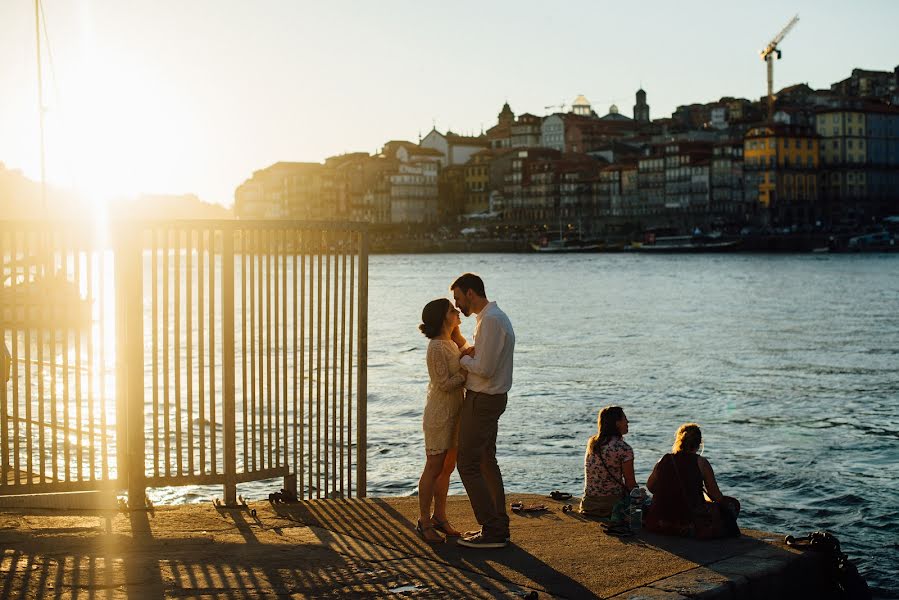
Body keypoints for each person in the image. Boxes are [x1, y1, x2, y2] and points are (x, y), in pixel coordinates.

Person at [450, 273, 515, 549]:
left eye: (458, 298)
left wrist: (462, 358)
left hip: (482, 401)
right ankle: (498, 526)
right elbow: (485, 361)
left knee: (467, 463)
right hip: (493, 399)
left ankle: (492, 529)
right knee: (487, 461)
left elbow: (485, 369)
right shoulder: (493, 318)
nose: (458, 304)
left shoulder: (490, 321)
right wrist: (468, 349)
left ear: (471, 294)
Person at [416, 298, 467, 544]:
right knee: (434, 466)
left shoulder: (451, 342)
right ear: (442, 317)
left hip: (456, 413)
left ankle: (440, 516)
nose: (457, 312)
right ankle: (424, 521)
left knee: (448, 467)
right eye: (451, 310)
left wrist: (463, 345)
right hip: (439, 413)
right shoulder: (436, 346)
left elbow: (468, 353)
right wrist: (467, 373)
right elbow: (444, 383)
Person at [644, 423, 740, 539]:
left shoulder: (664, 460)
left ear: (678, 440)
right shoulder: (701, 462)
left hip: (659, 521)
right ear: (699, 443)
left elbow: (650, 487)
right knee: (733, 505)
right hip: (688, 522)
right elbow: (715, 495)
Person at [580, 406, 637, 521]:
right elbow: (630, 484)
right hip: (612, 506)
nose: (628, 422)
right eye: (624, 419)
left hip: (589, 504)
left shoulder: (592, 444)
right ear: (617, 423)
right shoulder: (624, 448)